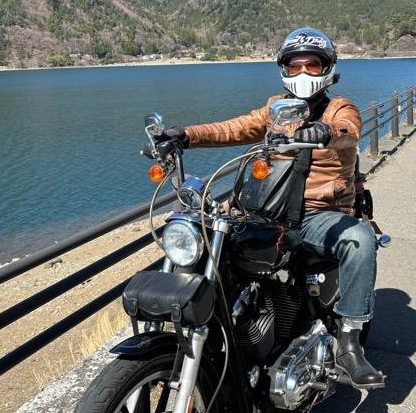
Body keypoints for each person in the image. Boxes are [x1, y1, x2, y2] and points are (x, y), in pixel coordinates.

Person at [164, 28, 384, 389]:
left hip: (318, 216)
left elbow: (348, 130)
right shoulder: (276, 108)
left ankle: (349, 342)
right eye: (295, 66)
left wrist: (324, 133)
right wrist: (185, 135)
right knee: (210, 243)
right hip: (269, 213)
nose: (303, 73)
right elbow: (235, 128)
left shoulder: (339, 108)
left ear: (327, 68)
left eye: (312, 65)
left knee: (360, 240)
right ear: (284, 69)